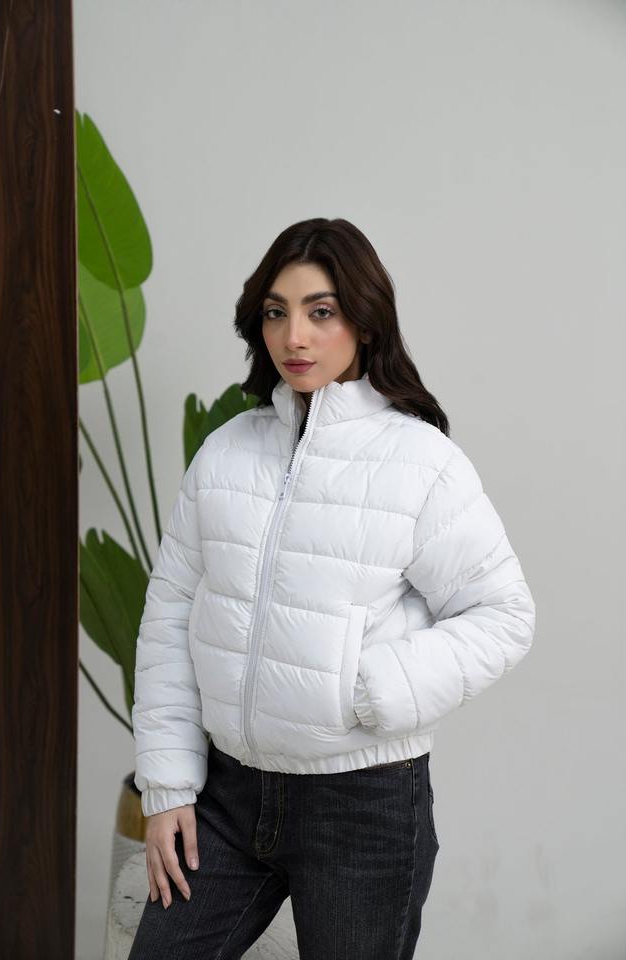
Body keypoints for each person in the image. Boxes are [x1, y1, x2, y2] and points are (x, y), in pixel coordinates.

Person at [127, 217, 536, 959]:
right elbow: (170, 617)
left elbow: (504, 614)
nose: (295, 337)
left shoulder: (421, 463)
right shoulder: (226, 453)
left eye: (321, 312)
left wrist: (372, 689)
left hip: (362, 806)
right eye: (276, 312)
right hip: (226, 795)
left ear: (365, 323)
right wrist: (167, 787)